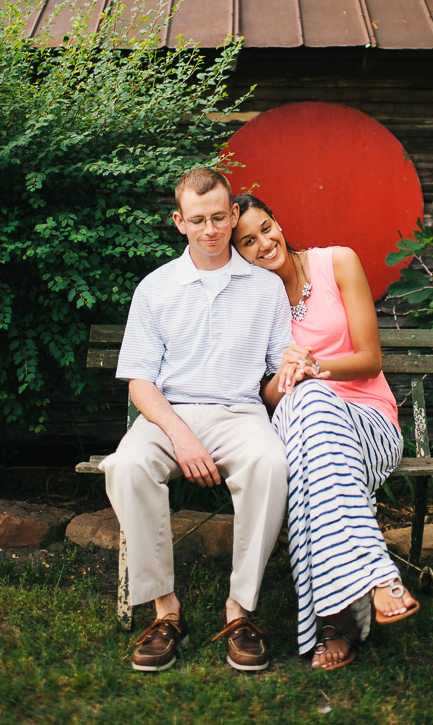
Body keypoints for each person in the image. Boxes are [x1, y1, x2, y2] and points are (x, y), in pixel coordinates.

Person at [101, 168, 295, 674]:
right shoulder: (156, 287)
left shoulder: (265, 288)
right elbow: (140, 382)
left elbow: (273, 376)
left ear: (233, 216)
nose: (210, 230)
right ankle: (166, 612)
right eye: (197, 220)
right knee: (125, 467)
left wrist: (298, 372)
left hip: (240, 412)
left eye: (218, 218)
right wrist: (180, 436)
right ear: (179, 222)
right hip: (169, 416)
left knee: (271, 462)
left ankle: (240, 612)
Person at [232, 194, 419, 671]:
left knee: (314, 409)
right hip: (302, 432)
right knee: (310, 414)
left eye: (266, 228)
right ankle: (376, 579)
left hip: (368, 424)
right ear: (238, 253)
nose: (264, 244)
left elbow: (370, 360)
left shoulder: (337, 262)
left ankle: (333, 622)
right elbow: (268, 397)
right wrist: (285, 378)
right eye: (247, 242)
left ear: (279, 222)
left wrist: (313, 369)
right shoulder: (253, 300)